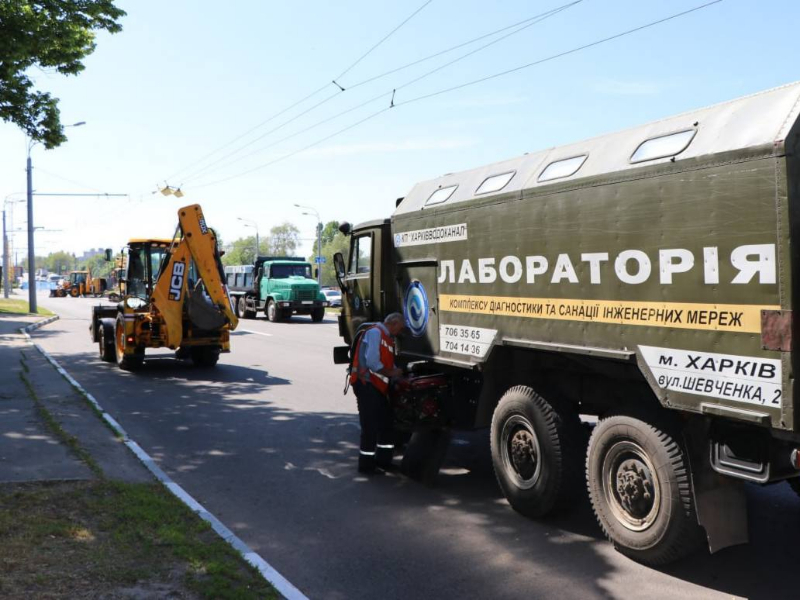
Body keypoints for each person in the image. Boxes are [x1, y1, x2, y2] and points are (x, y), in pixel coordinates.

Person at [350, 312, 405, 473]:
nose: (399, 332)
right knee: (370, 427)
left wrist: (397, 371)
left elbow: (386, 361)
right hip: (366, 384)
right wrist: (392, 373)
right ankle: (366, 465)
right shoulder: (375, 333)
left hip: (377, 386)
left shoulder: (386, 337)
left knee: (386, 424)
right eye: (399, 328)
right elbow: (373, 362)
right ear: (393, 323)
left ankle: (383, 461)